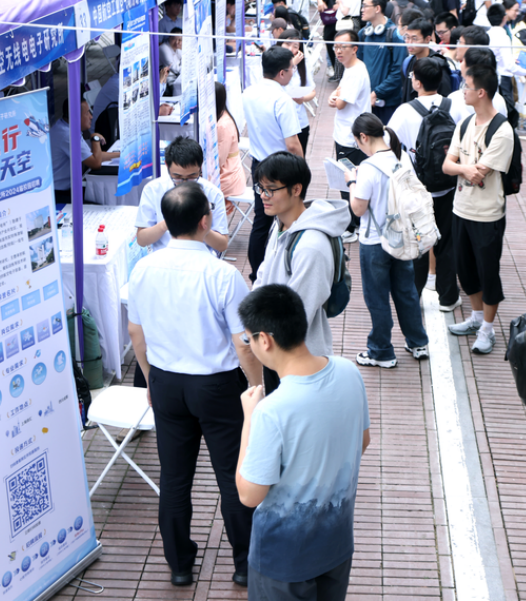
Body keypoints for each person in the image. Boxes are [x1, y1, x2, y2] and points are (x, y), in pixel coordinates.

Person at [128, 184, 260, 588]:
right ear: (206, 221)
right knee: (232, 475)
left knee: (174, 477)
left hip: (166, 381)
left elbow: (136, 333)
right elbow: (243, 343)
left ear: (166, 222)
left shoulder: (143, 269)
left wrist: (150, 379)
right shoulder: (222, 274)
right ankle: (244, 563)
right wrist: (257, 387)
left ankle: (180, 565)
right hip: (216, 385)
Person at [235, 284, 370, 601]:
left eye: (248, 338)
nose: (249, 345)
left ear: (265, 340)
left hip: (282, 560)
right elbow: (362, 441)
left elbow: (249, 495)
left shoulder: (271, 410)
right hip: (336, 544)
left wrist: (249, 419)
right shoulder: (349, 372)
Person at [248, 152, 350, 391]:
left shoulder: (311, 246)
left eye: (271, 189)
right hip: (275, 351)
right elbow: (262, 276)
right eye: (261, 188)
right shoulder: (280, 224)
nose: (263, 196)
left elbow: (299, 311)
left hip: (299, 361)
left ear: (296, 189)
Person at [345, 113, 429, 368]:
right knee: (406, 292)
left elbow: (358, 209)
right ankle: (418, 342)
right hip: (400, 235)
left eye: (357, 141)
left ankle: (381, 351)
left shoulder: (368, 168)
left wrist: (351, 182)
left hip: (374, 240)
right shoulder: (402, 159)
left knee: (377, 297)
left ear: (363, 137)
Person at [442, 65, 514, 355]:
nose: (462, 91)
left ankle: (487, 328)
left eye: (467, 86)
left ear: (481, 92)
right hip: (461, 209)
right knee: (465, 269)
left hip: (487, 214)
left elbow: (477, 174)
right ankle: (475, 317)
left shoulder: (502, 130)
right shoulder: (465, 123)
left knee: (488, 272)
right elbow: (447, 166)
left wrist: (461, 168)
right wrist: (464, 168)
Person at [387, 57, 463, 312]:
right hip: (449, 185)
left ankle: (413, 298)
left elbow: (388, 145)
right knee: (447, 243)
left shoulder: (405, 111)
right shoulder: (455, 106)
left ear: (417, 82)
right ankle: (448, 298)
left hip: (417, 189)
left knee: (418, 245)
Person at [243, 47, 305, 280]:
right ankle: (286, 270)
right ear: (281, 73)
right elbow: (292, 144)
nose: (293, 73)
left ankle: (256, 274)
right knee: (289, 218)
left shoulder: (249, 92)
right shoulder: (282, 99)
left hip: (258, 164)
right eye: (291, 69)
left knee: (261, 222)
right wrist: (302, 170)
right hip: (281, 169)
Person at [135, 137, 229, 254]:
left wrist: (200, 227)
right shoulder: (153, 190)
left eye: (192, 177)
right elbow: (141, 239)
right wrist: (166, 224)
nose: (184, 183)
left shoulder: (213, 193)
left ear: (200, 167)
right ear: (167, 165)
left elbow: (222, 244)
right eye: (177, 177)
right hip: (165, 258)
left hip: (200, 258)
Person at [328, 31, 372, 243]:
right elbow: (338, 93)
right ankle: (355, 223)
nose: (338, 51)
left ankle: (352, 226)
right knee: (351, 179)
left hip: (350, 138)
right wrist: (334, 96)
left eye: (343, 47)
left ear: (354, 48)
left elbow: (340, 103)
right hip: (348, 134)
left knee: (349, 181)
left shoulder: (355, 73)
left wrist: (335, 98)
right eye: (336, 46)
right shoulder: (351, 68)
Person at [50, 98, 118, 204]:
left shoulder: (67, 127)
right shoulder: (67, 135)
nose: (91, 116)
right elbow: (95, 163)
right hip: (60, 194)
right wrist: (95, 138)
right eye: (87, 113)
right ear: (76, 116)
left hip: (68, 189)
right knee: (101, 203)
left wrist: (120, 154)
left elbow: (92, 155)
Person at [357, 0, 407, 125]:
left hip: (387, 104)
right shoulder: (363, 34)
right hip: (366, 101)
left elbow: (398, 72)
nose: (362, 10)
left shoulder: (394, 36)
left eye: (365, 6)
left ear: (377, 8)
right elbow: (357, 65)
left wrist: (376, 93)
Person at [279, 29, 316, 156]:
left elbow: (312, 91)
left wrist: (303, 98)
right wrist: (291, 65)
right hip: (280, 123)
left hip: (300, 121)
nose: (291, 49)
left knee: (299, 160)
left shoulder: (302, 65)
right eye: (287, 44)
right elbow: (275, 85)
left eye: (295, 46)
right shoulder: (273, 64)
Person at [401, 18, 455, 102]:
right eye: (407, 37)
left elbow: (445, 97)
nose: (409, 42)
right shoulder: (408, 62)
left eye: (414, 39)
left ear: (427, 39)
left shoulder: (437, 65)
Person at [215, 82, 247, 212]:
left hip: (228, 177)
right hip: (230, 173)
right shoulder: (223, 117)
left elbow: (219, 160)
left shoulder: (223, 125)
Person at [318, 0, 344, 78]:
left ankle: (342, 72)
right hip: (331, 19)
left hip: (344, 20)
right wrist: (320, 1)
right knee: (328, 39)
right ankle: (335, 70)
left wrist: (341, 3)